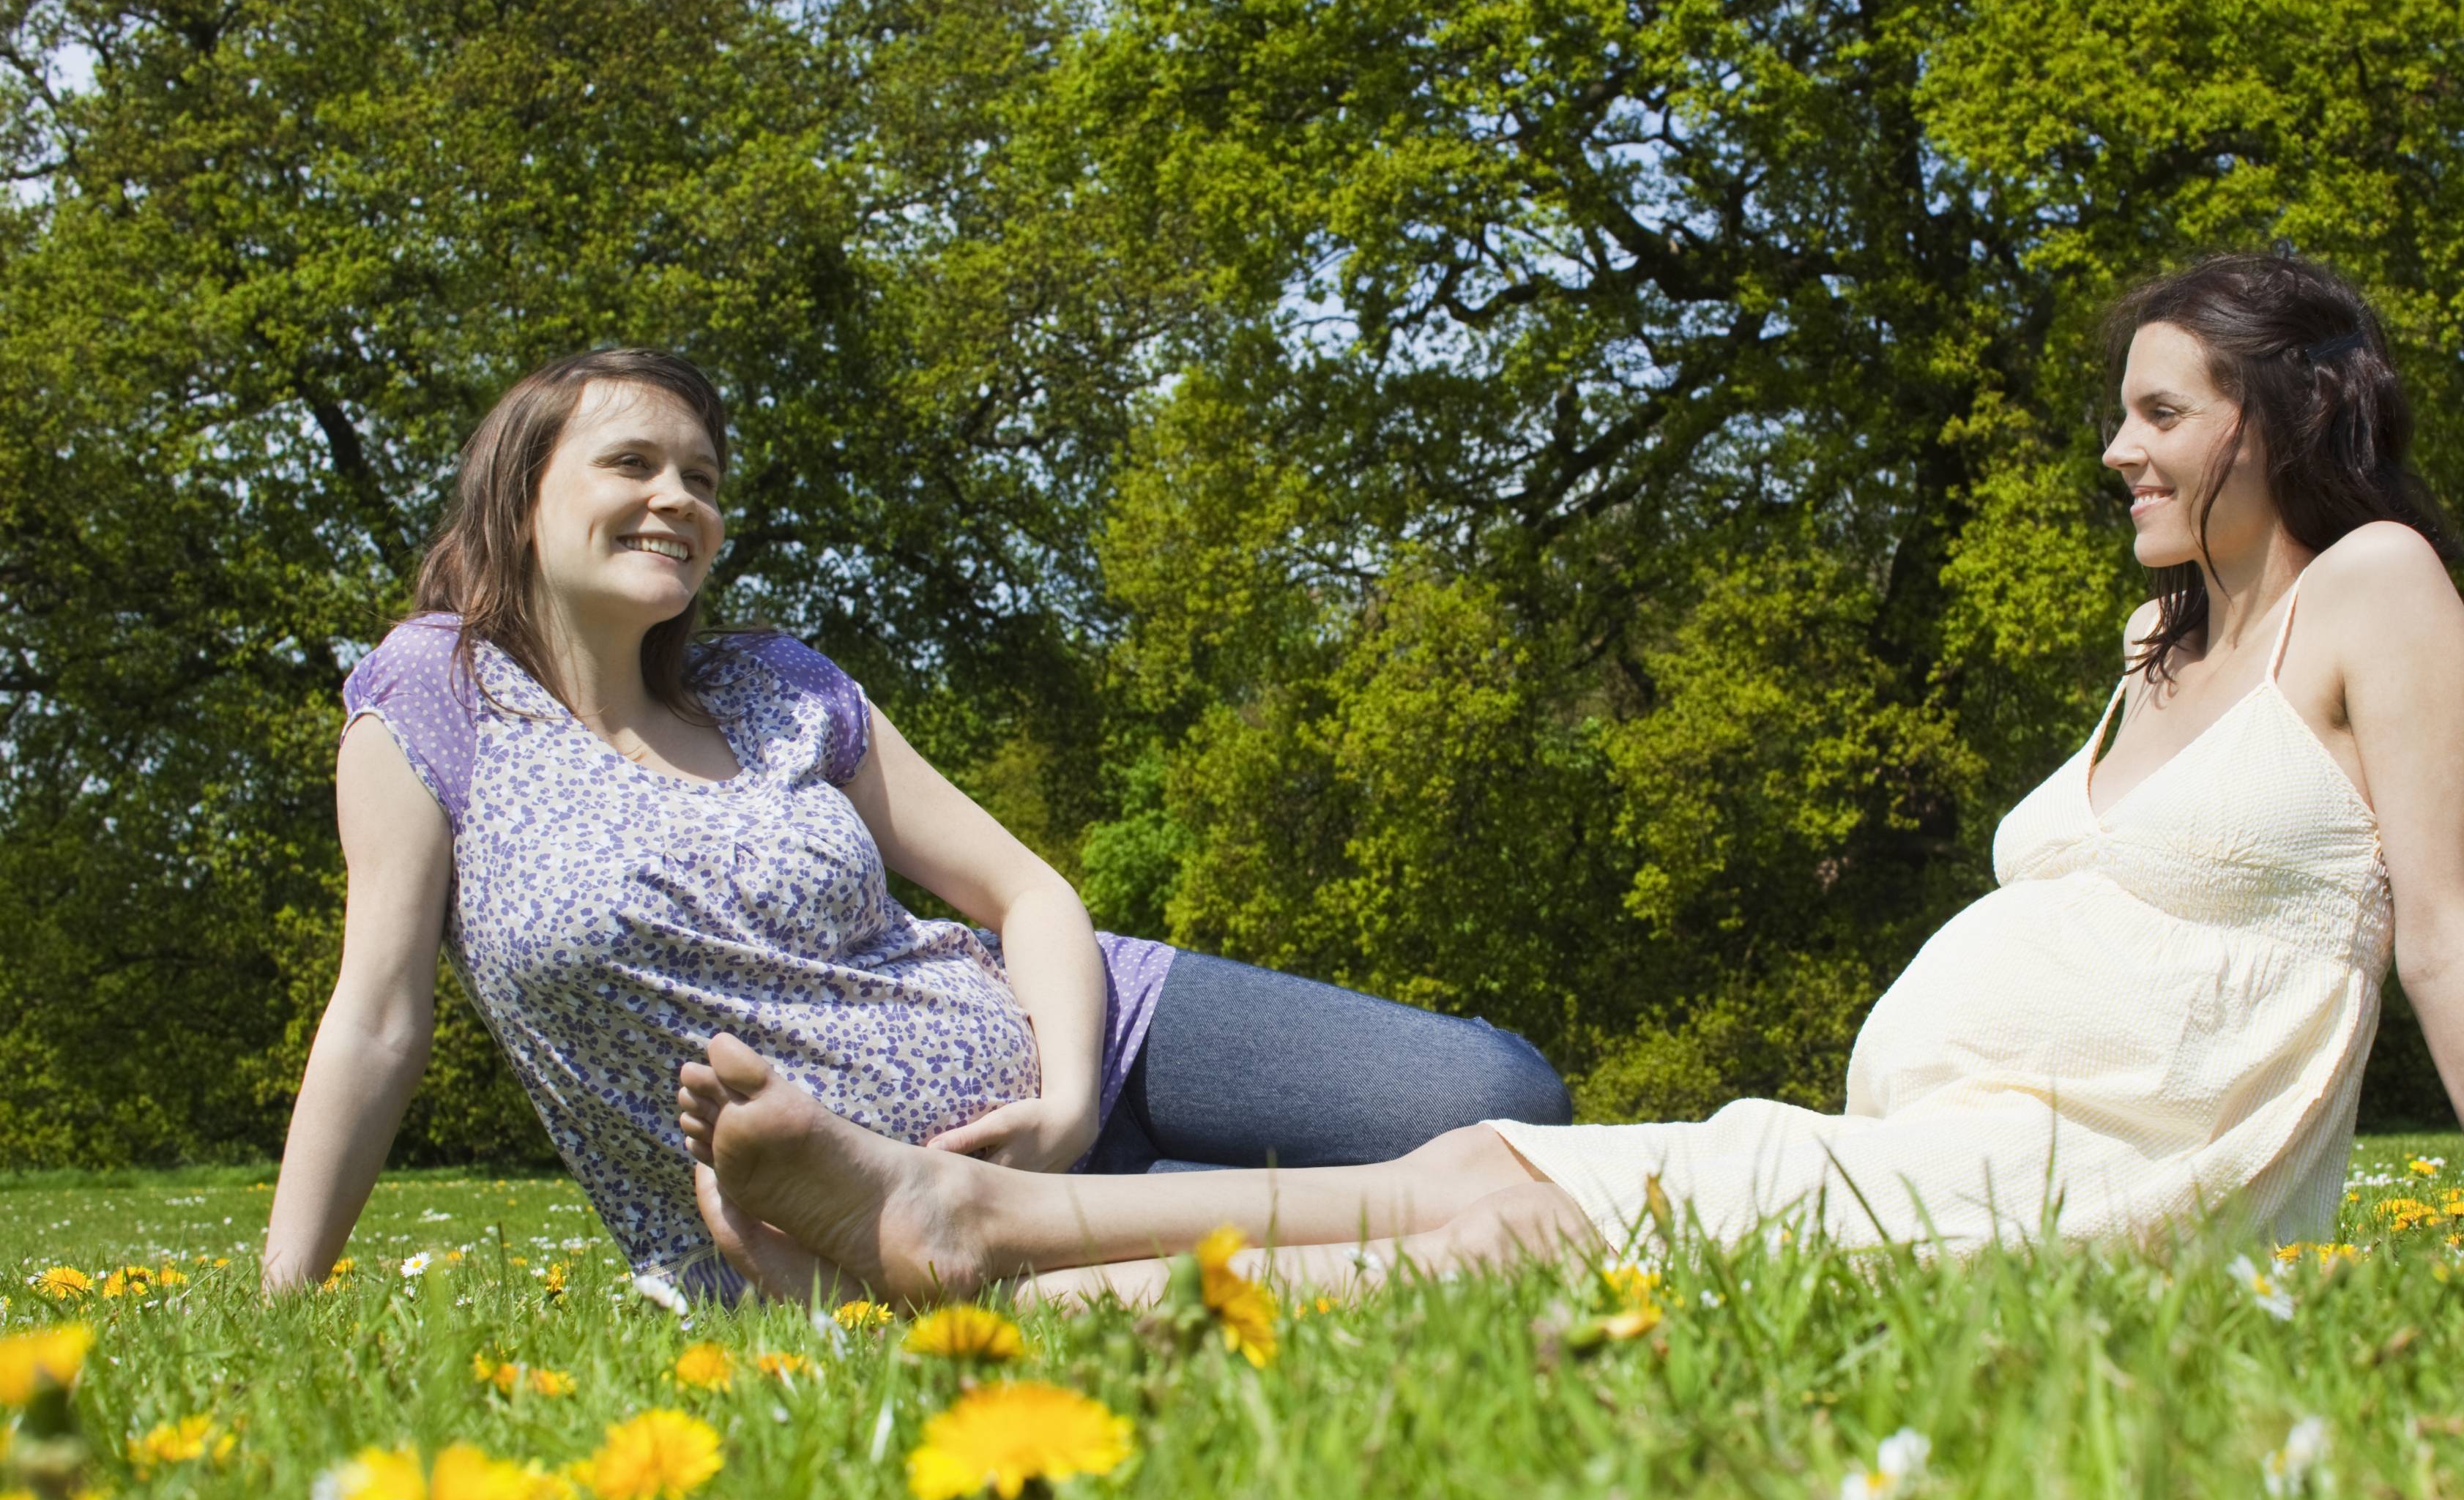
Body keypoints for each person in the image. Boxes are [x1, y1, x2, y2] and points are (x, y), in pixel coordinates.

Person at [670, 250, 2464, 1308]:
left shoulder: (2374, 592)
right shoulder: (2160, 638)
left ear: (2279, 413)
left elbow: (2446, 940)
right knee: (1468, 1176)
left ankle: (967, 1247)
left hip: (2125, 1190)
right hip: (1976, 1145)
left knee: (1521, 1212)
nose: (2116, 450)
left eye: (2159, 411)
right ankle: (965, 1243)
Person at [258, 349, 1570, 1299]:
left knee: (1506, 1097)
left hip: (1086, 1053)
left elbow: (1028, 894)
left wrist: (1065, 1100)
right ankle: (1024, 1233)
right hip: (832, 1213)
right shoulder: (438, 698)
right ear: (520, 495)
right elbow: (378, 1017)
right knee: (1462, 1234)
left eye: (702, 477)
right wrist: (285, 1294)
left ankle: (1093, 1199)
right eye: (633, 464)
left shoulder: (773, 687)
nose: (680, 498)